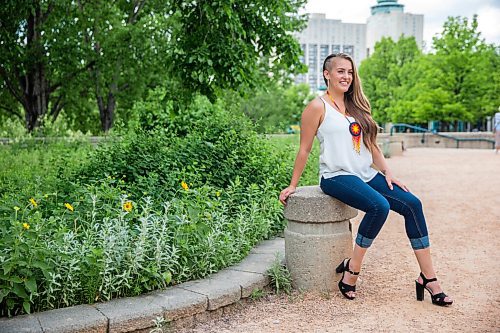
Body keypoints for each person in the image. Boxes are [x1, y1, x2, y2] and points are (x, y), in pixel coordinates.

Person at [279, 53, 453, 306]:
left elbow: (371, 145)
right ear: (327, 74)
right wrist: (293, 185)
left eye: (349, 72)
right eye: (340, 71)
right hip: (336, 176)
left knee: (412, 205)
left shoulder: (357, 106)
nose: (346, 77)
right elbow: (304, 149)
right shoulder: (317, 107)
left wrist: (388, 172)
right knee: (378, 206)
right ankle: (352, 269)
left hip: (366, 174)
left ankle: (428, 278)